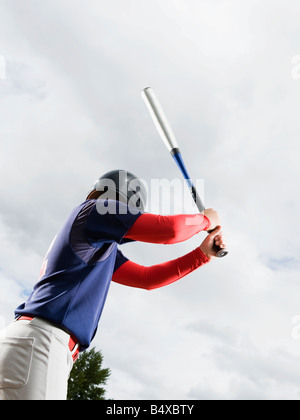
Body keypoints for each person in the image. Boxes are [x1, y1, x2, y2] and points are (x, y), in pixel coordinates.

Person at [0, 170, 226, 400]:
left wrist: (202, 255)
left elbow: (146, 278)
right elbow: (168, 229)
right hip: (43, 342)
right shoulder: (94, 210)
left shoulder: (100, 247)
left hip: (33, 343)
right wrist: (206, 220)